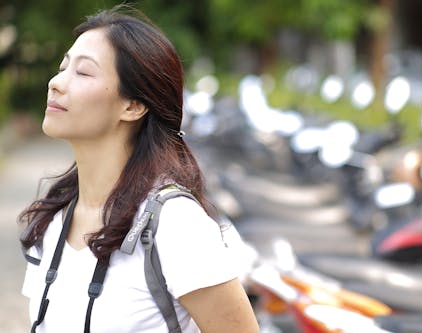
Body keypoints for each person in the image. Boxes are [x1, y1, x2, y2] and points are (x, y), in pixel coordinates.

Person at [18, 5, 260, 333]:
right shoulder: (53, 219)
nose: (56, 83)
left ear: (133, 105)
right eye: (63, 67)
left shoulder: (175, 225)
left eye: (83, 72)